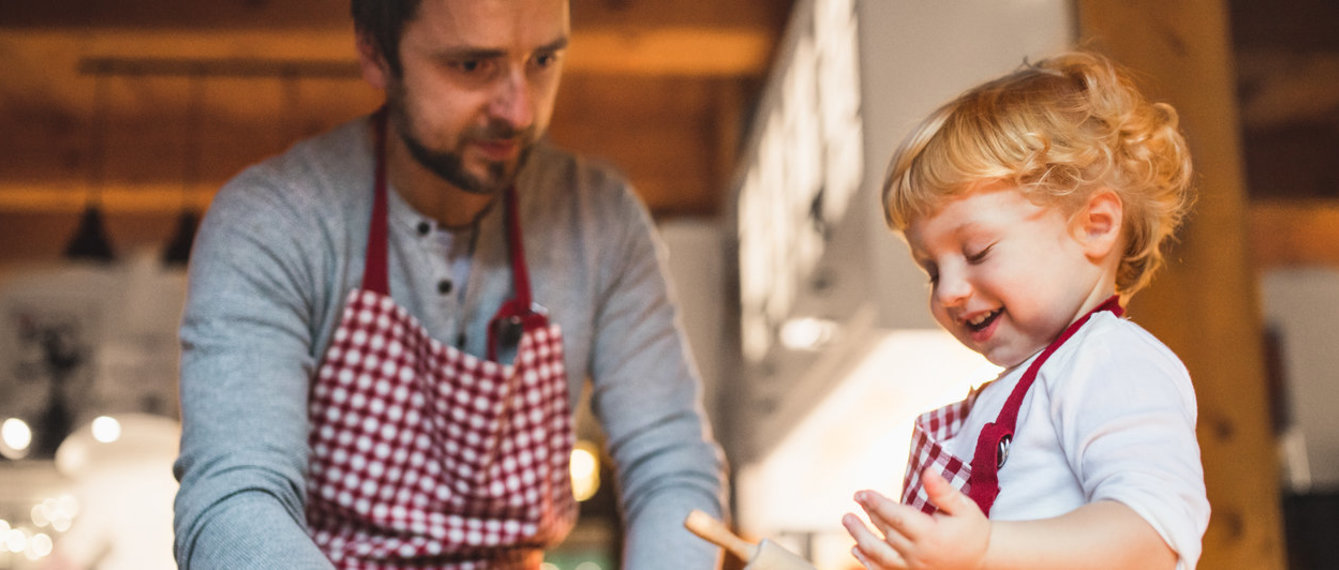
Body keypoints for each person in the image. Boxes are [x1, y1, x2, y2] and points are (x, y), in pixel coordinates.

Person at [171, 0, 727, 567]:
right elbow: (235, 497)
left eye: (543, 59)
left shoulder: (601, 220)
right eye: (471, 65)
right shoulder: (275, 221)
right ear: (375, 52)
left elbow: (670, 468)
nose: (520, 109)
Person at [841, 51, 1210, 569]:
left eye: (977, 252)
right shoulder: (1023, 388)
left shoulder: (1110, 361)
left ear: (1095, 225)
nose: (947, 291)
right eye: (931, 270)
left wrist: (985, 551)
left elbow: (1151, 538)